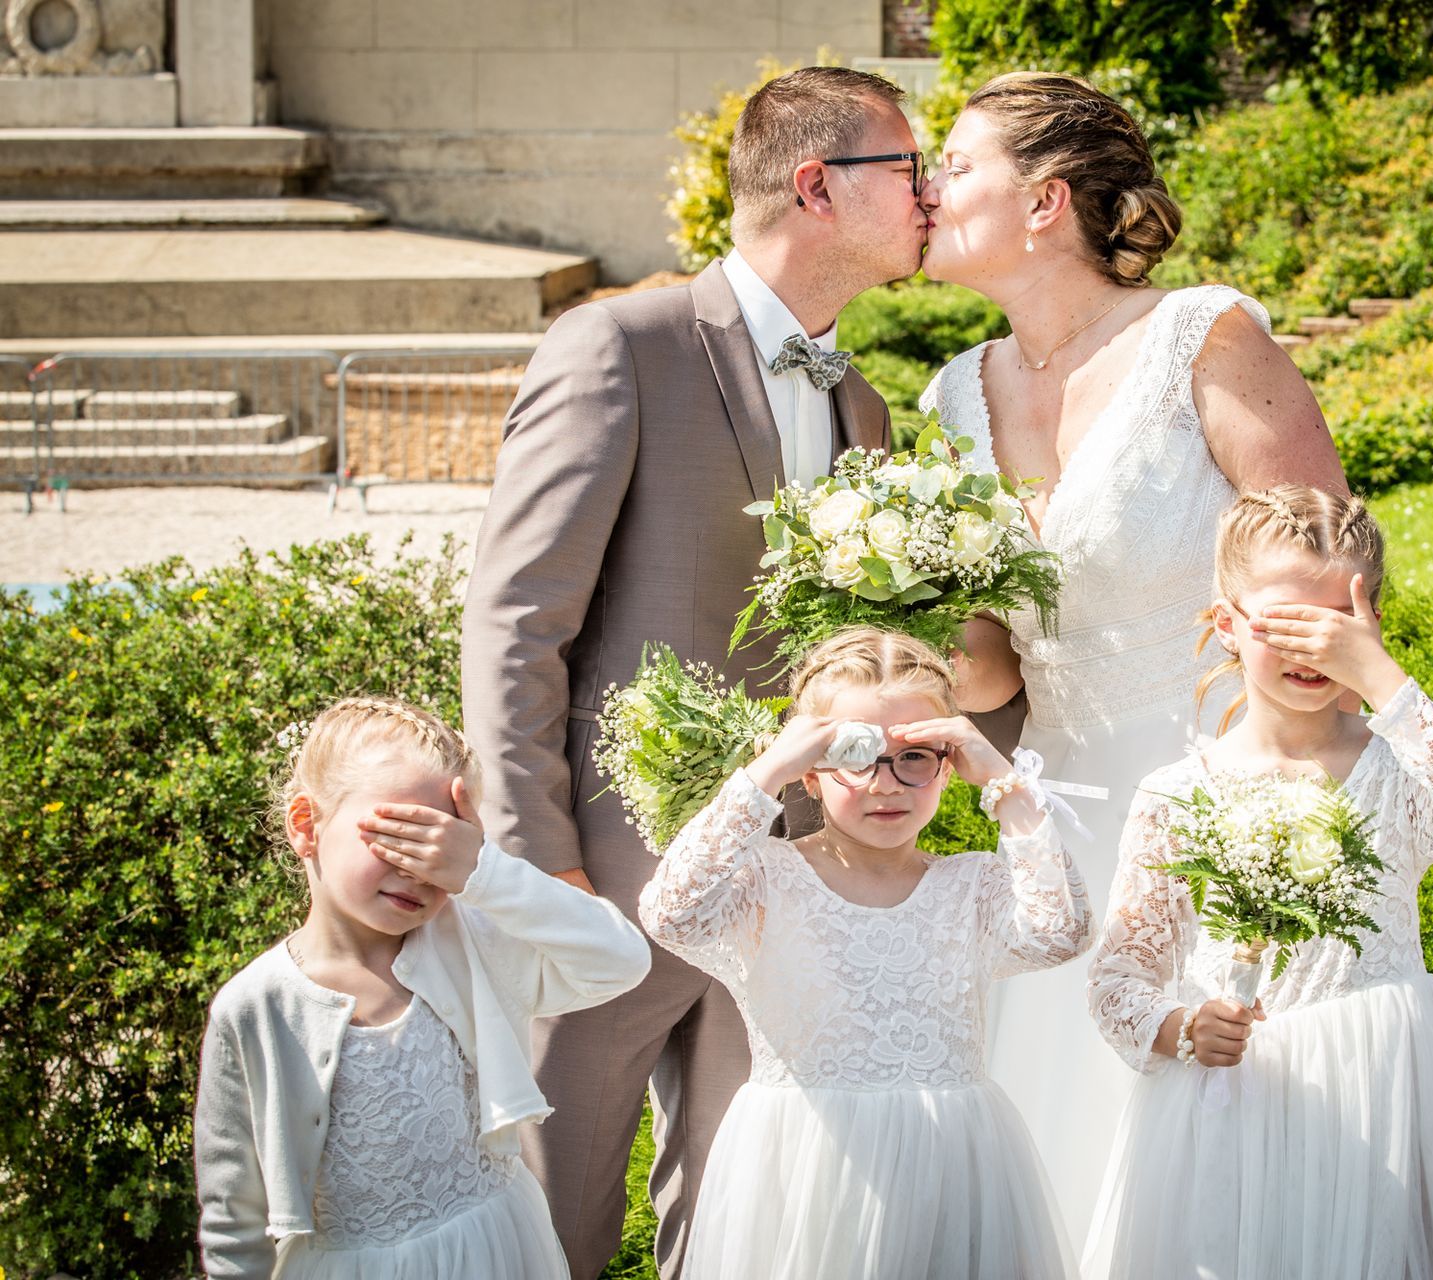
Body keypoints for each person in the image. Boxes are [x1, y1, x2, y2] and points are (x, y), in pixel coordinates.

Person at [460, 67, 923, 1278]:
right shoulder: (619, 345)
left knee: (742, 1225)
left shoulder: (865, 408)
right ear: (817, 186)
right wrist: (543, 868)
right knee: (544, 1221)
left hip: (787, 890)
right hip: (607, 881)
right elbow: (516, 621)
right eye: (908, 169)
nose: (930, 195)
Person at [915, 71, 1350, 1238]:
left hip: (1231, 788)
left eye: (955, 165)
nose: (928, 188)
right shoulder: (954, 396)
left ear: (1045, 200)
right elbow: (993, 668)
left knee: (1231, 1140)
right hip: (1063, 810)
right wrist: (891, 627)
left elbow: (1328, 565)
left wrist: (1299, 796)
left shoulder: (1201, 335)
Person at [1083, 487, 1433, 1278]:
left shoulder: (1397, 771)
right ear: (1227, 624)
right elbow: (1118, 979)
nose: (1312, 646)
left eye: (1337, 623)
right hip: (1239, 1098)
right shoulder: (1176, 794)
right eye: (1286, 622)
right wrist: (1183, 1026)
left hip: (1379, 1087)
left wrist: (1382, 680)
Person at [637, 627, 1091, 1278]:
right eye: (855, 754)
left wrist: (1004, 782)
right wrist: (765, 773)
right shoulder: (766, 880)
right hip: (807, 1167)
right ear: (810, 773)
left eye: (916, 756)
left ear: (948, 764)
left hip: (951, 1163)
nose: (887, 784)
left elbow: (1061, 932)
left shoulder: (972, 885)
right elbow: (670, 911)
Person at [193, 696, 652, 1278]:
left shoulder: (475, 940)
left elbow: (621, 959)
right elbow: (233, 1219)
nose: (418, 870)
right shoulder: (256, 1008)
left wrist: (483, 871)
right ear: (306, 825)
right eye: (400, 836)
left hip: (498, 1251)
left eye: (441, 847)